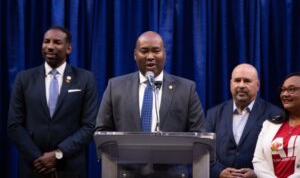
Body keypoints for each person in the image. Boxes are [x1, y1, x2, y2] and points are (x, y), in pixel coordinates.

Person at [95, 31, 205, 177]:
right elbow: (102, 131)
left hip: (171, 174)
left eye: (156, 51)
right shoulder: (115, 87)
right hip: (127, 173)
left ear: (165, 53)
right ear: (135, 54)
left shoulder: (186, 89)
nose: (150, 56)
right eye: (144, 51)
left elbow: (199, 134)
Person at [7, 26, 99, 178]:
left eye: (56, 42)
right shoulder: (24, 79)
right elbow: (14, 125)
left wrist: (57, 155)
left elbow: (90, 126)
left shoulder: (85, 79)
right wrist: (40, 159)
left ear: (68, 48)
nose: (50, 46)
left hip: (70, 168)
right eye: (46, 42)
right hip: (34, 168)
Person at [205, 63, 283, 178]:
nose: (241, 85)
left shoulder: (275, 114)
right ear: (231, 84)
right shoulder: (213, 113)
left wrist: (257, 174)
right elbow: (205, 150)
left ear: (258, 85)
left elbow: (279, 153)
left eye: (247, 81)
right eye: (237, 80)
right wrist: (219, 172)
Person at [253, 72, 300, 177]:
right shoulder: (269, 124)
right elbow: (258, 160)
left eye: (292, 89)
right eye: (283, 90)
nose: (285, 94)